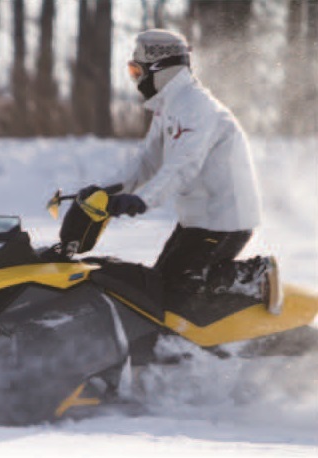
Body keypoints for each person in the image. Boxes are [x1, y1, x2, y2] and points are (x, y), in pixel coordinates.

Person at [64, 29, 281, 312]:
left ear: (160, 68)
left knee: (177, 291)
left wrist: (142, 200)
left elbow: (182, 166)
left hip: (225, 218)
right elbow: (146, 161)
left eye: (135, 70)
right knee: (158, 287)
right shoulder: (170, 107)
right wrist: (106, 190)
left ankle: (255, 274)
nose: (135, 78)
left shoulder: (196, 107)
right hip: (199, 218)